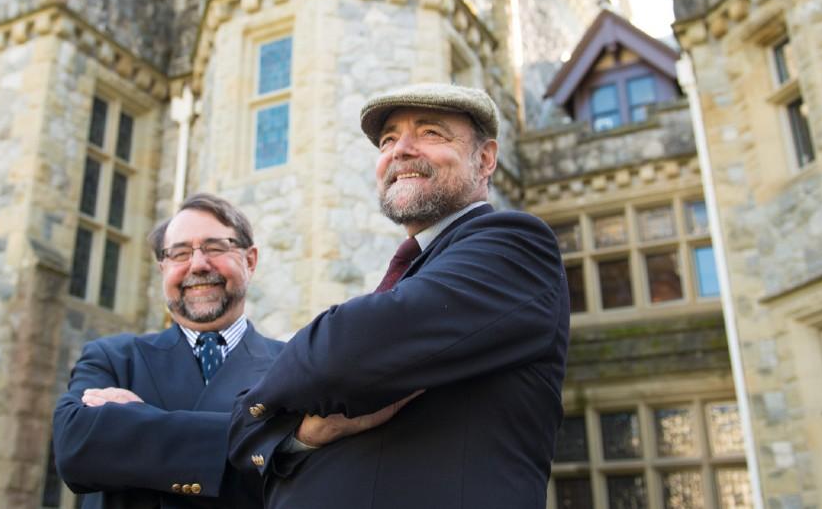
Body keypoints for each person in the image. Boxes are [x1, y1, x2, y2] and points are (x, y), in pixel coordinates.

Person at [228, 83, 570, 508]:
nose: (400, 150)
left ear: (484, 159)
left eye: (430, 133)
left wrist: (252, 410)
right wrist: (303, 432)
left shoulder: (515, 244)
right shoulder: (418, 272)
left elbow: (342, 351)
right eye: (388, 139)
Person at [53, 193, 284, 508]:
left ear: (250, 259)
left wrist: (135, 423)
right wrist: (259, 439)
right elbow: (75, 451)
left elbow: (309, 472)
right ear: (163, 268)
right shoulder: (111, 359)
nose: (198, 264)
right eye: (179, 253)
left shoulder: (292, 365)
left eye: (216, 247)